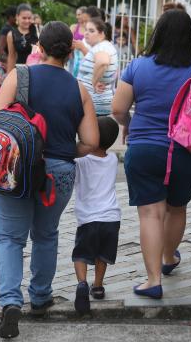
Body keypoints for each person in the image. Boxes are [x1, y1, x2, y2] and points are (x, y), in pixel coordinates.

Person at [0, 21, 99, 339]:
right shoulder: (78, 89)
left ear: (39, 47)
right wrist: (64, 151)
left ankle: (11, 302)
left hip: (16, 168)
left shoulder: (19, 75)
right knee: (46, 234)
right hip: (59, 172)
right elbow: (91, 141)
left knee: (10, 238)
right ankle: (40, 297)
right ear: (69, 53)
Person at [111, 10, 191, 299]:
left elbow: (118, 110)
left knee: (150, 214)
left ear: (158, 34)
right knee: (177, 208)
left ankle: (152, 281)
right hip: (185, 151)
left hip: (145, 149)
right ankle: (168, 259)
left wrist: (129, 125)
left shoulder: (138, 67)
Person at [72, 116, 121, 314]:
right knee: (103, 254)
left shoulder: (80, 161)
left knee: (81, 254)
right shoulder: (113, 159)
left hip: (88, 218)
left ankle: (82, 284)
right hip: (111, 217)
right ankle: (98, 286)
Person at [77, 17, 117, 116]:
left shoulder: (102, 47)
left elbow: (103, 62)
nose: (86, 33)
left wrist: (94, 83)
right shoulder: (104, 46)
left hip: (93, 104)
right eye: (86, 30)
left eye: (91, 31)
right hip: (96, 102)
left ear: (102, 33)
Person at [6, 3, 39, 72]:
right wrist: (8, 75)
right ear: (17, 17)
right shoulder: (11, 34)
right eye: (24, 18)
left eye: (29, 18)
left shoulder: (37, 31)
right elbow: (11, 57)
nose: (27, 21)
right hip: (20, 70)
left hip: (36, 69)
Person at [68, 6, 88, 77]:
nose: (77, 17)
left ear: (85, 14)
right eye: (76, 15)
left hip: (85, 58)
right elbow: (68, 41)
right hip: (74, 58)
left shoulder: (89, 28)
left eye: (79, 14)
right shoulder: (74, 27)